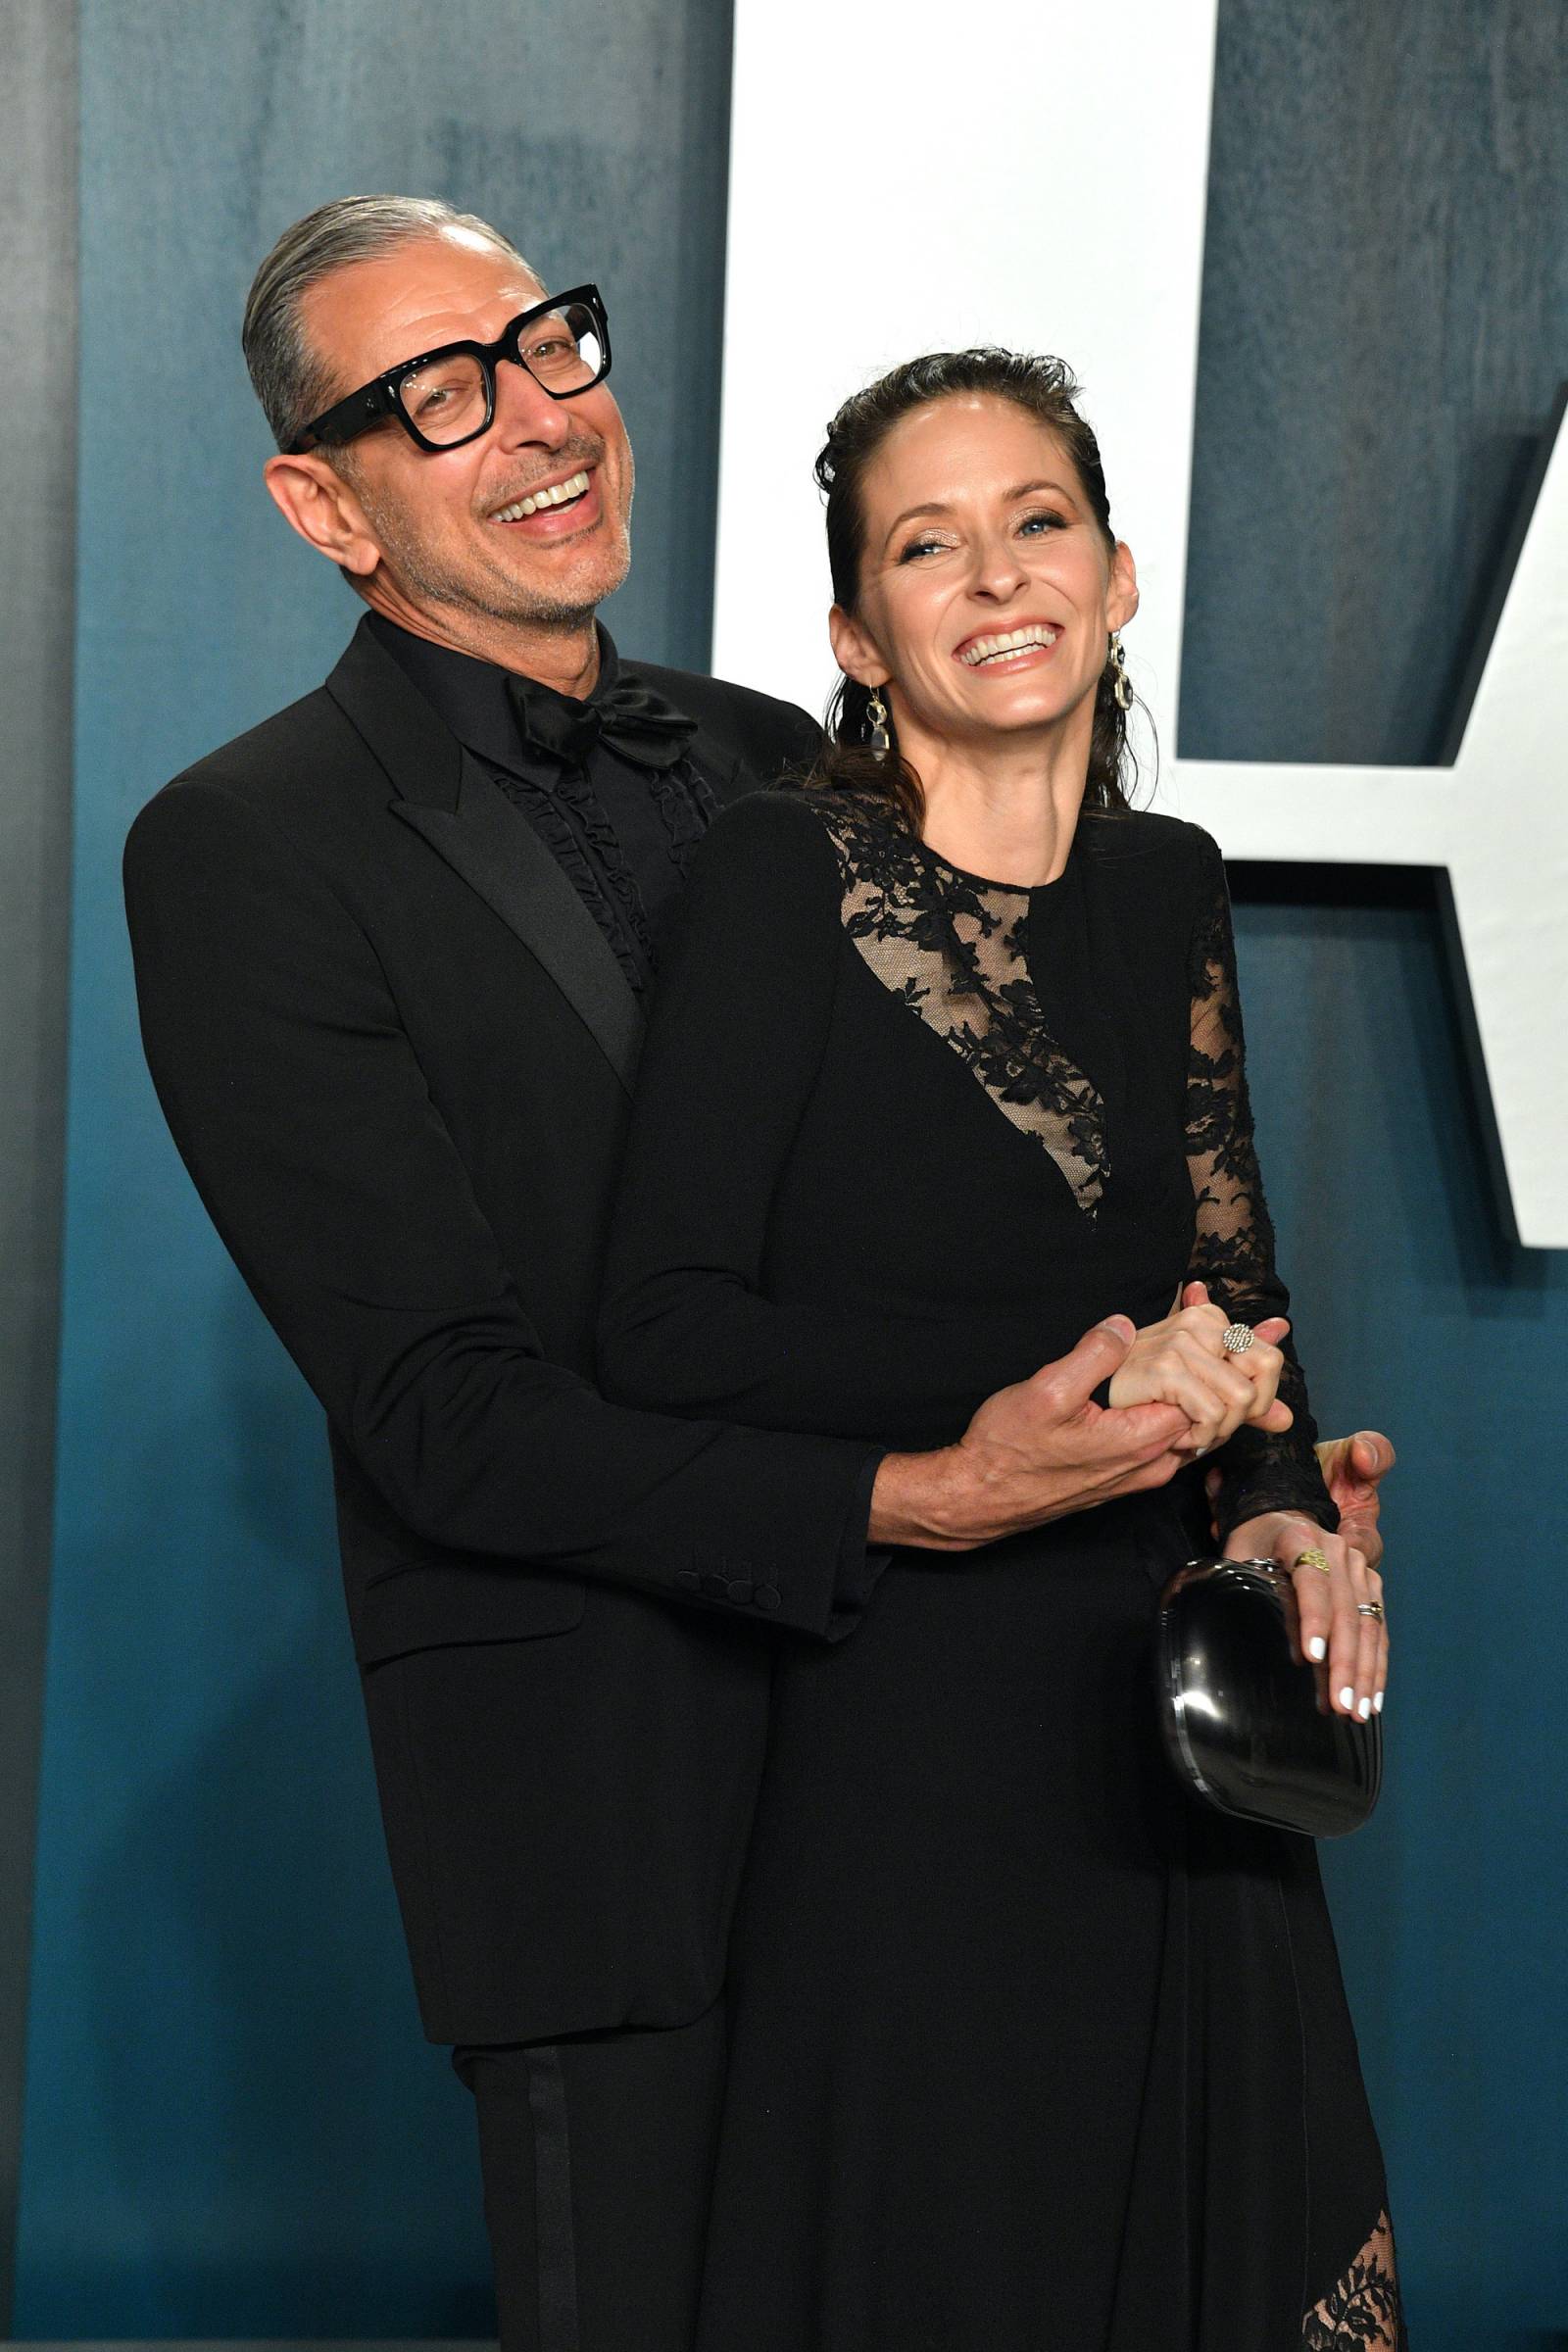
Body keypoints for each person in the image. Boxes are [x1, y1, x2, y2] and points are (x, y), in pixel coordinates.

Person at [122, 196, 1394, 2347]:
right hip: (613, 1800)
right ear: (318, 502)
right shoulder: (249, 847)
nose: (534, 416)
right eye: (439, 393)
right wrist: (926, 1489)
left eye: (548, 346)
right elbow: (445, 1407)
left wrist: (1240, 1461)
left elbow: (1101, 1210)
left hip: (971, 1761)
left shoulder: (784, 762)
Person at [597, 349, 1400, 2348]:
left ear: (1116, 574)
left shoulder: (1163, 884)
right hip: (914, 1709)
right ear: (857, 637)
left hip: (1168, 1700)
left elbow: (1231, 1272)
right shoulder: (781, 877)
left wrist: (1285, 1509)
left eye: (1034, 520)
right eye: (923, 546)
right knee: (959, 2253)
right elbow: (660, 1326)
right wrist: (1007, 1414)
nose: (994, 576)